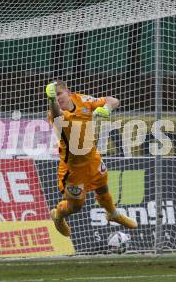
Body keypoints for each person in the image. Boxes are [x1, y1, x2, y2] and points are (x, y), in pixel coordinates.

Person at [45, 80, 137, 237]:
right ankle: (58, 215)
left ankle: (113, 214)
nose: (58, 98)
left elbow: (113, 100)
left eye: (59, 94)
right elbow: (55, 113)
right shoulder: (56, 115)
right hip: (73, 169)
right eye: (55, 96)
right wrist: (51, 99)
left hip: (92, 158)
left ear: (68, 91)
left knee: (102, 188)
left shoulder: (83, 101)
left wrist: (107, 109)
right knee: (75, 206)